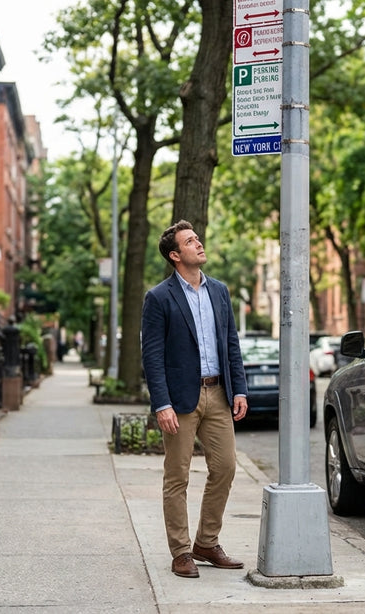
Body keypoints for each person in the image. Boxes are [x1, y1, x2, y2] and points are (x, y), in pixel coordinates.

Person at [141, 220, 249, 579]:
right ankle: (181, 551)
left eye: (198, 238)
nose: (199, 244)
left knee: (226, 467)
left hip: (218, 392)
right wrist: (162, 403)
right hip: (181, 398)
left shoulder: (219, 291)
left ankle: (206, 542)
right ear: (175, 255)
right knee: (178, 476)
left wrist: (240, 389)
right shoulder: (158, 298)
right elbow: (152, 355)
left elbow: (230, 342)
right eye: (190, 241)